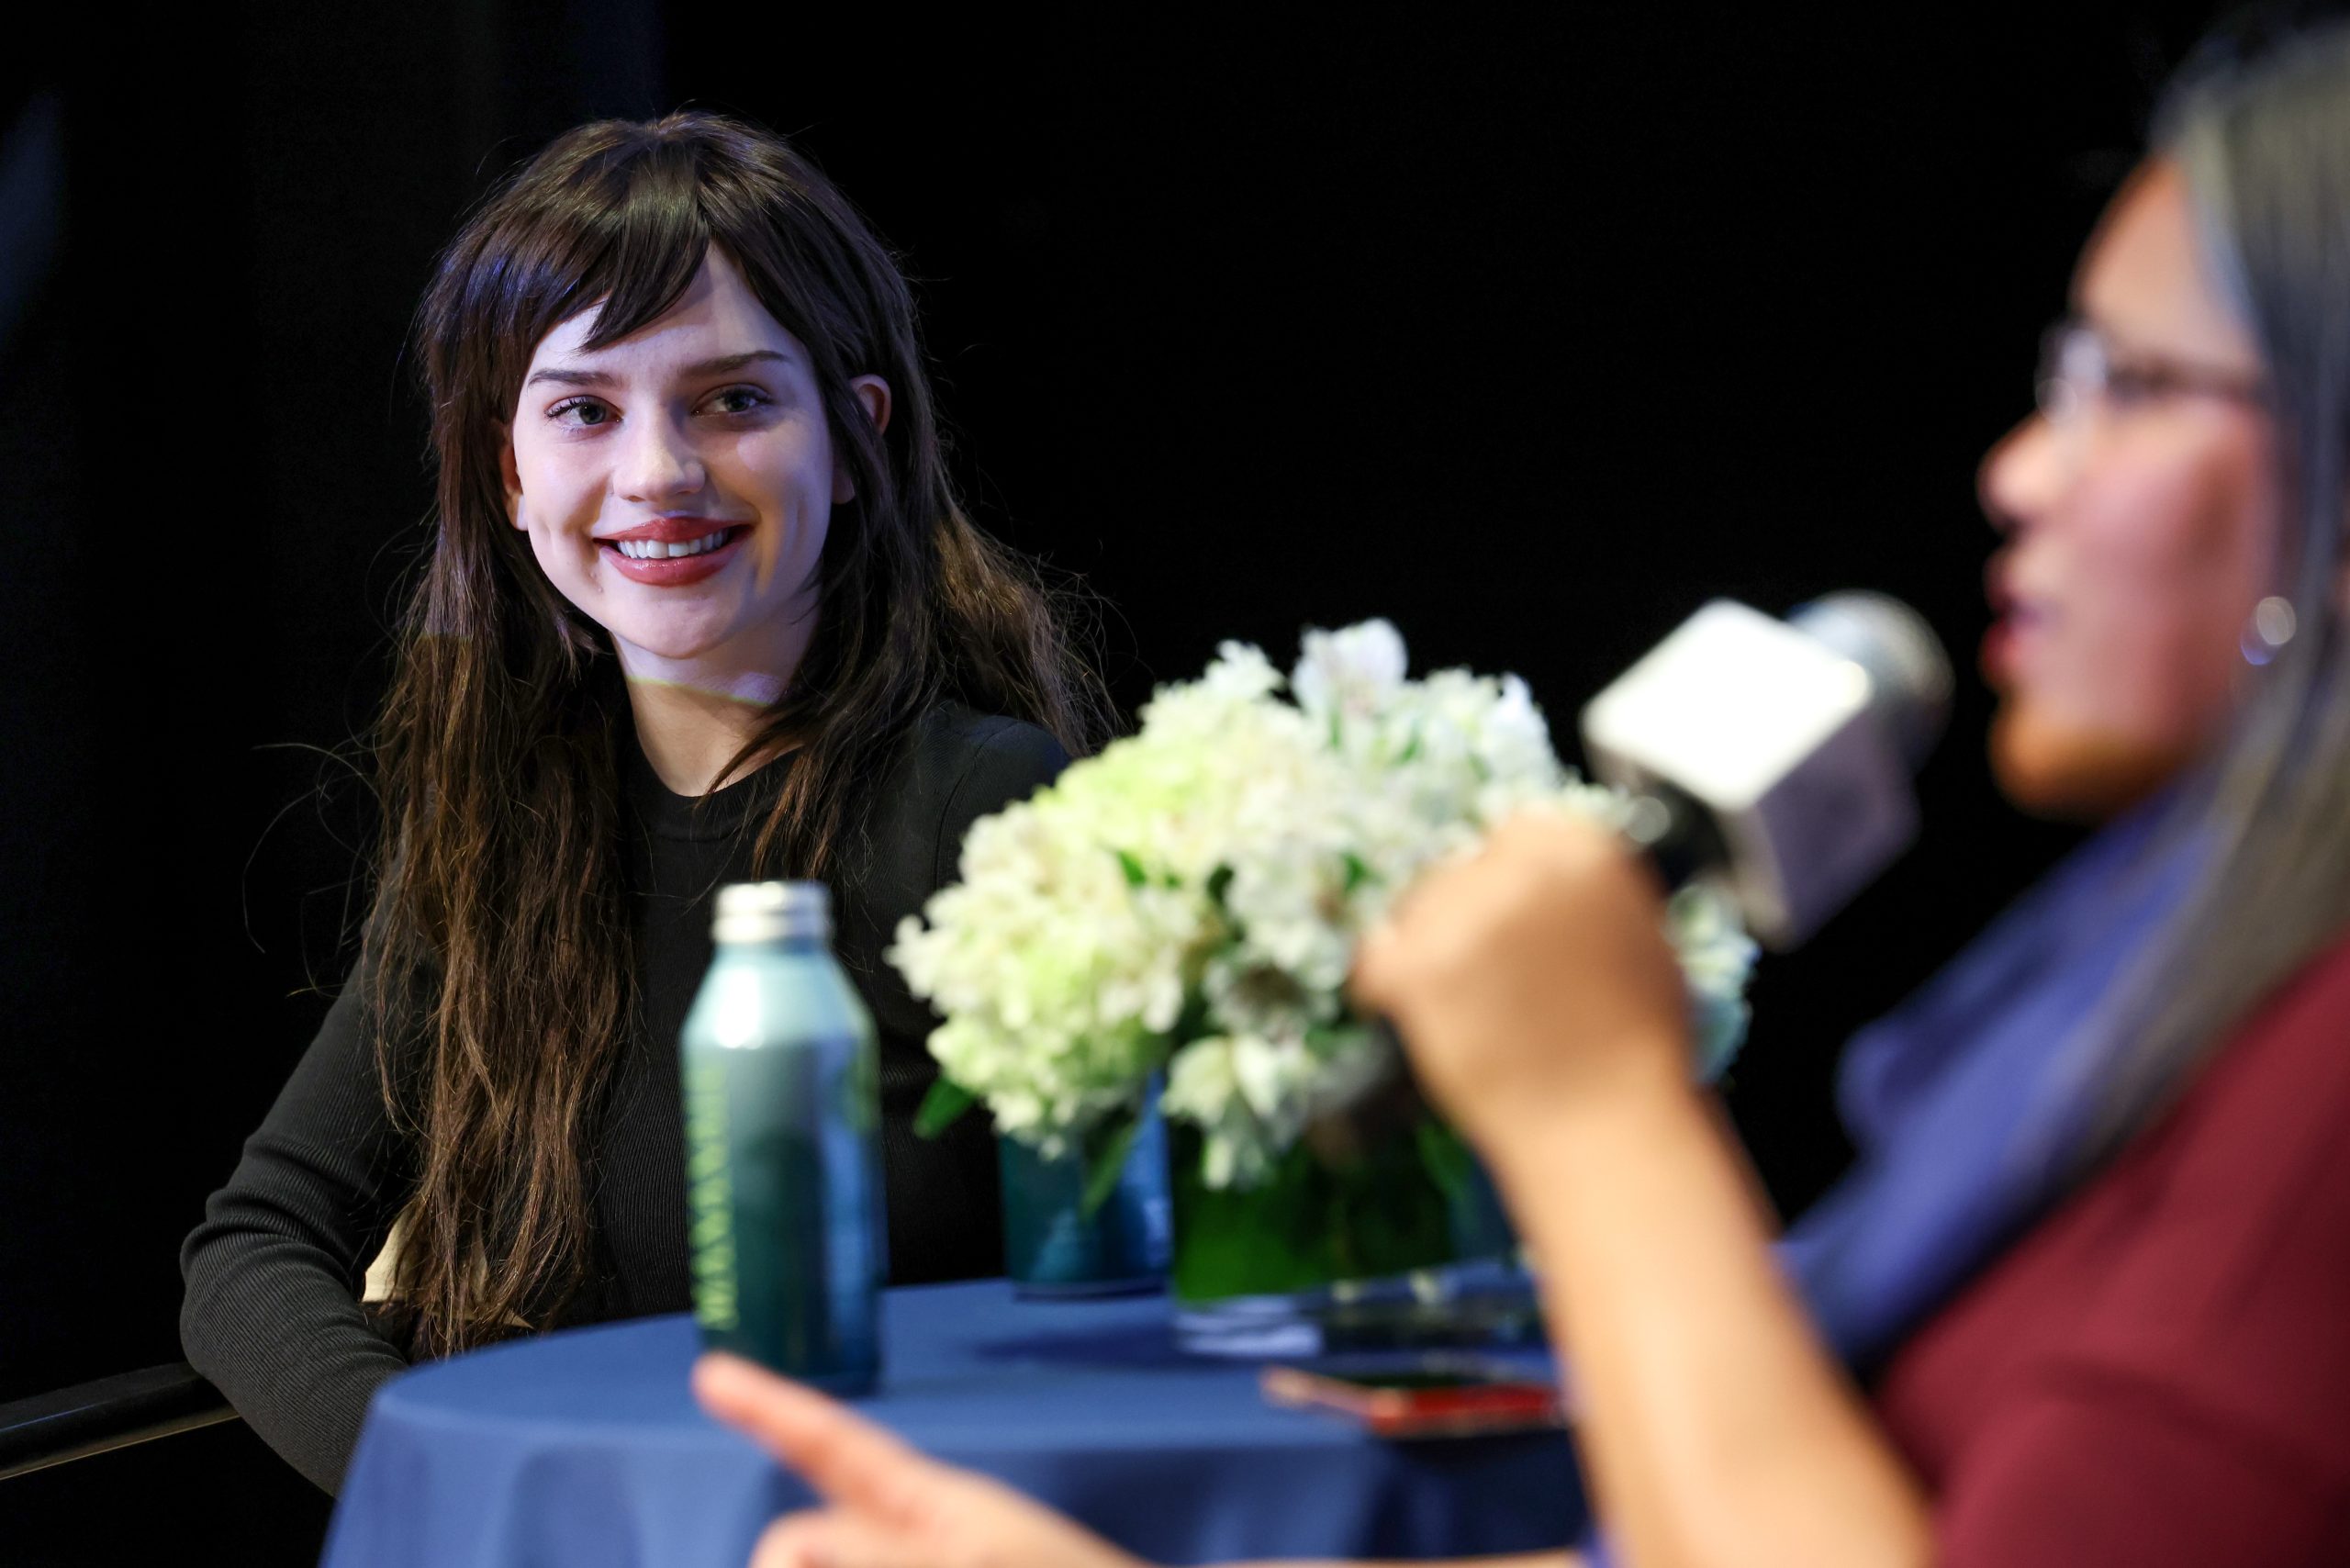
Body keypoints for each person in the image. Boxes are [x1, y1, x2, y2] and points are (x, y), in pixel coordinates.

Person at [688, 14, 2350, 1567]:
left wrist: (1592, 1099)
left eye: (2134, 387)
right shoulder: (2195, 974)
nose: (2021, 471)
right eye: (2059, 382)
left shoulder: (2322, 1090)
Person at [179, 113, 1111, 1495]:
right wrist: (475, 1492)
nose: (659, 472)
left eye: (733, 401)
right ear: (509, 472)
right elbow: (252, 1250)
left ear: (855, 435)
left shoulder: (985, 808)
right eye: (585, 411)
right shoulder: (504, 830)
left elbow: (1118, 1324)